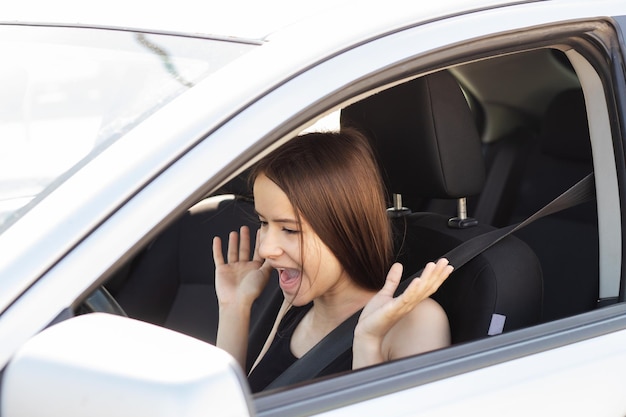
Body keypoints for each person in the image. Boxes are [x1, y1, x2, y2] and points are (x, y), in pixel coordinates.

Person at [212, 128, 453, 393]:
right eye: (264, 222)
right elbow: (232, 403)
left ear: (345, 230)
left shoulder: (415, 322)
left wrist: (367, 344)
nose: (267, 249)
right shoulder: (295, 304)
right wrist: (234, 307)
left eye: (290, 229)